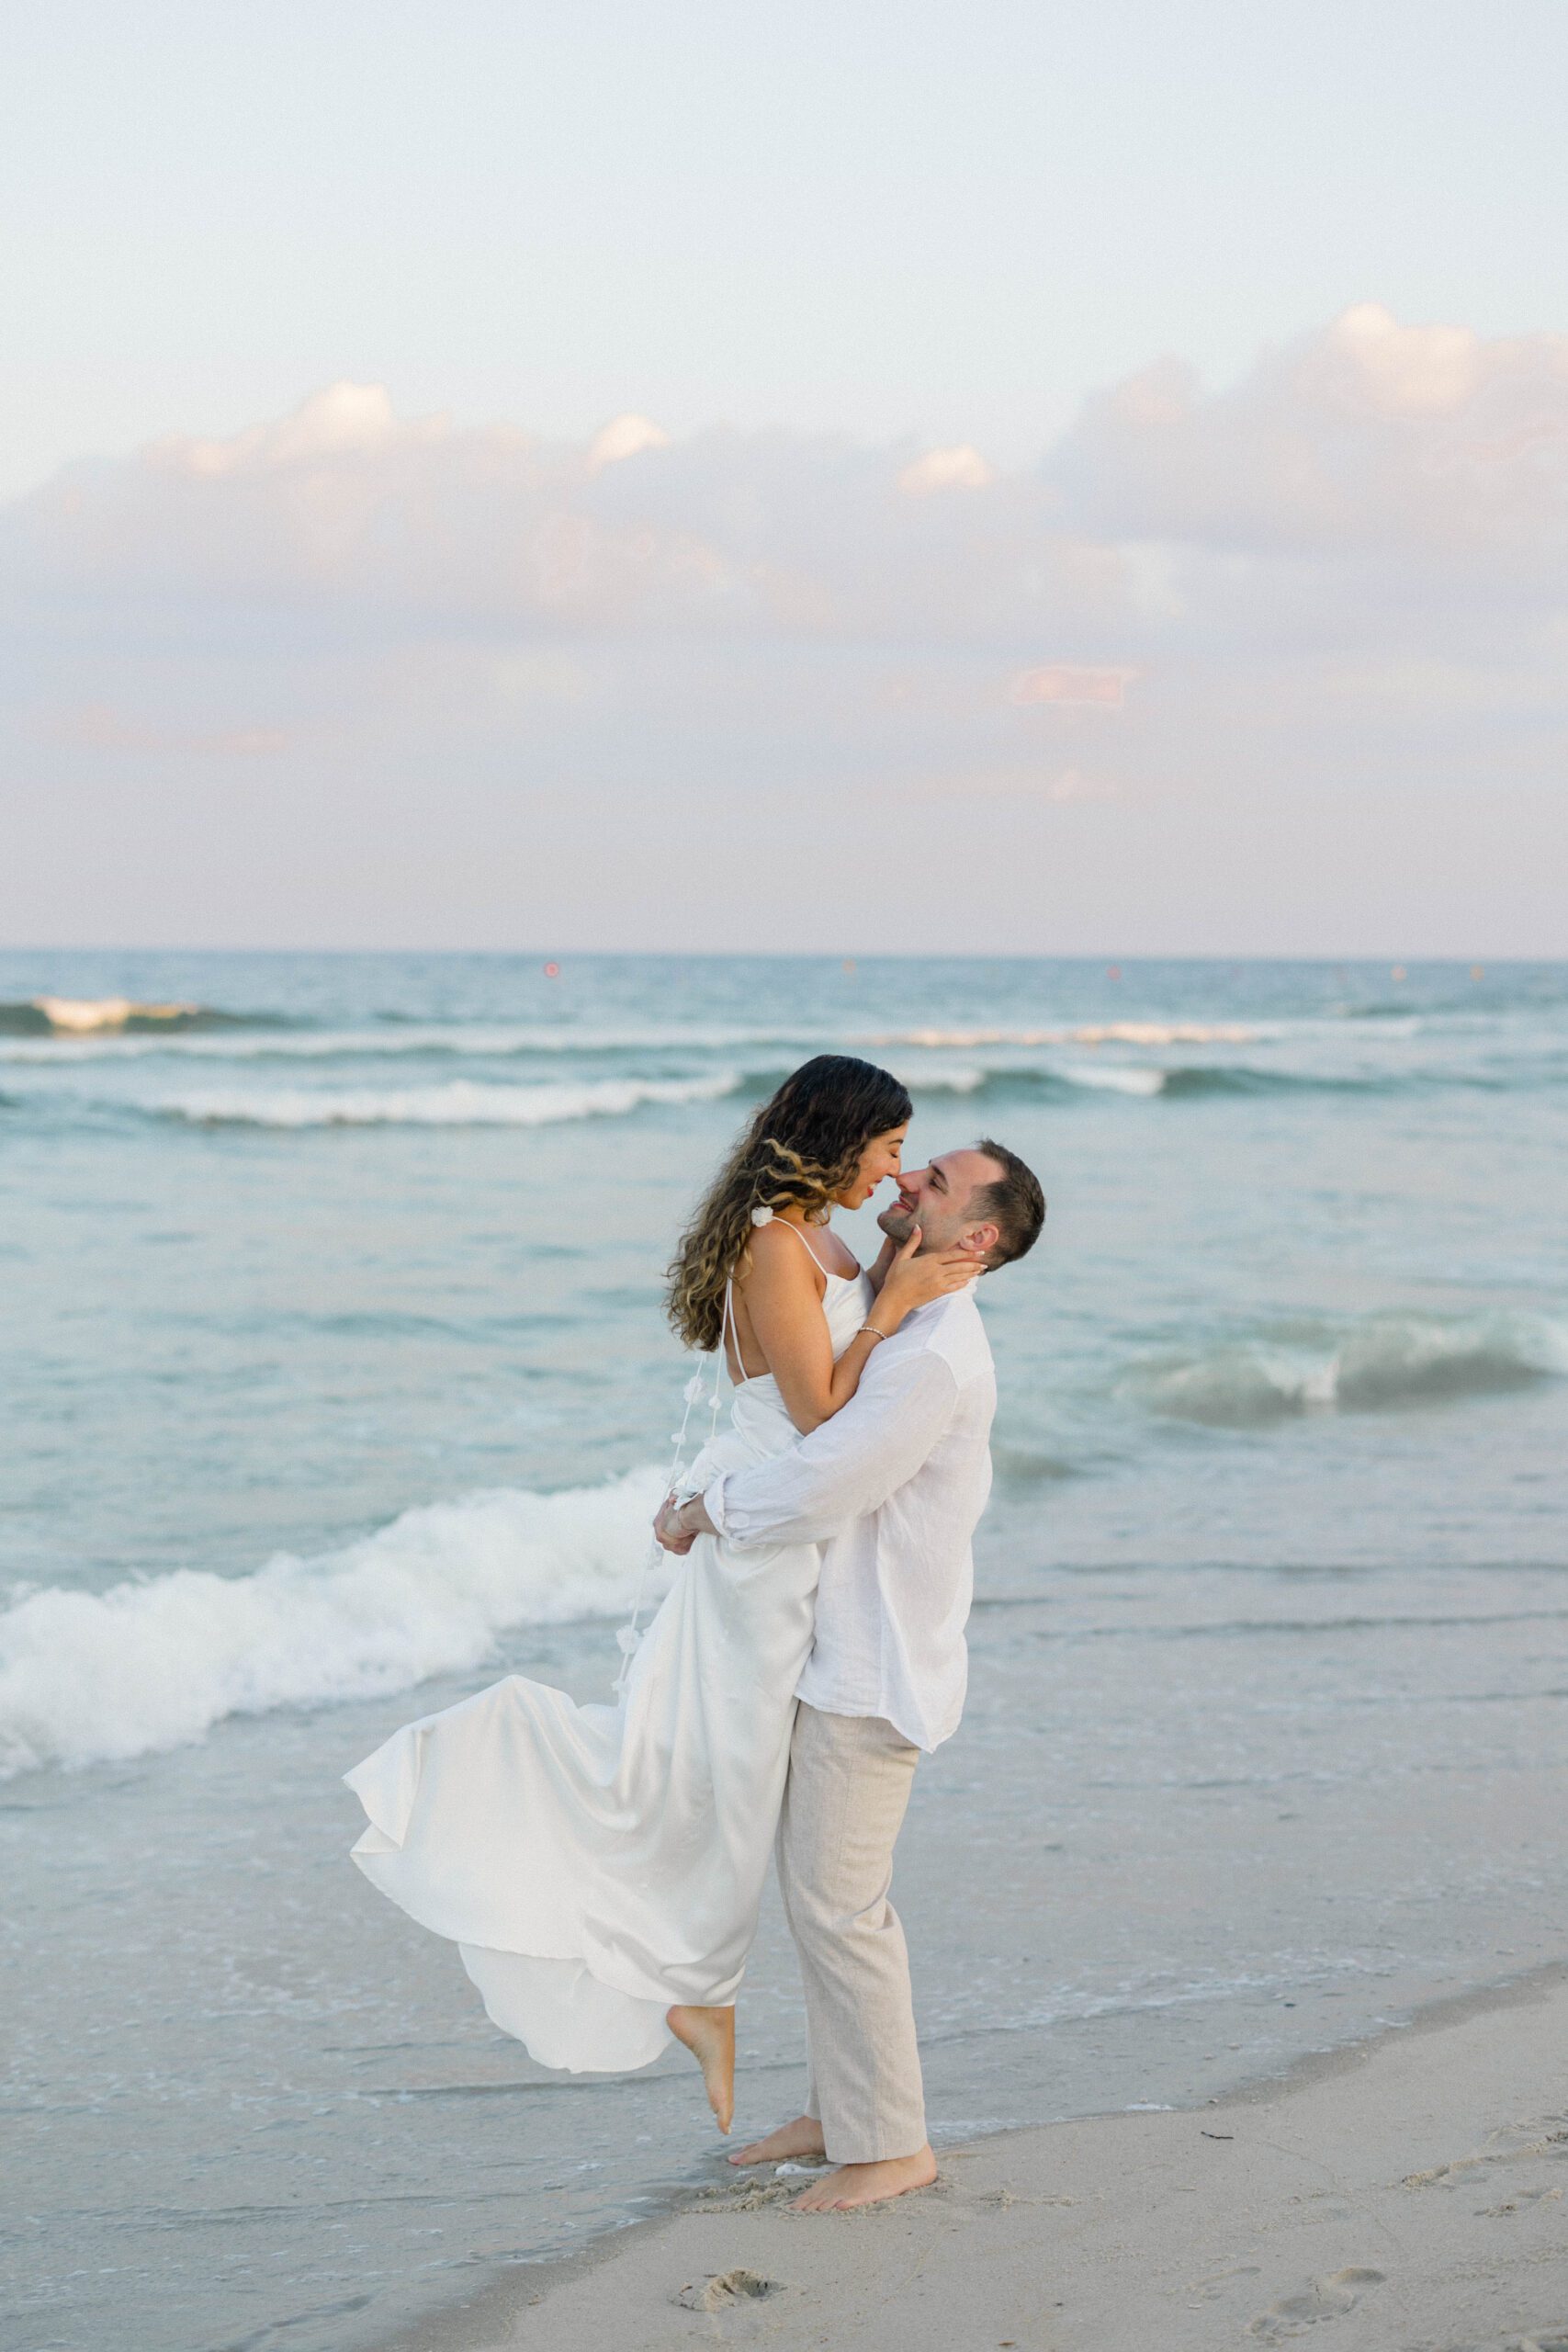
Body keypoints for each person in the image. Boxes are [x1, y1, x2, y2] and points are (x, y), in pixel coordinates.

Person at [344, 1057, 975, 2132]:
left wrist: (894, 1273)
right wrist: (900, 1302)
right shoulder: (777, 1244)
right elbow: (823, 1413)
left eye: (906, 1159)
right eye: (889, 1150)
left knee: (724, 1779)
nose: (896, 1172)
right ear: (838, 1139)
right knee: (701, 1776)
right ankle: (683, 1976)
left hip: (775, 1527)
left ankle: (708, 1995)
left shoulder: (824, 1241)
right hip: (762, 1550)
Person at [655, 1136, 1045, 2210]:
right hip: (837, 1648)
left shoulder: (932, 1351)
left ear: (975, 1237)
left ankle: (893, 2146)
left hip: (875, 1669)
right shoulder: (902, 1308)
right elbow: (797, 1408)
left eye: (937, 1182)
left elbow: (827, 1480)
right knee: (818, 1897)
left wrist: (705, 1511)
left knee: (842, 1907)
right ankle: (841, 2111)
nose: (908, 1178)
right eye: (915, 1164)